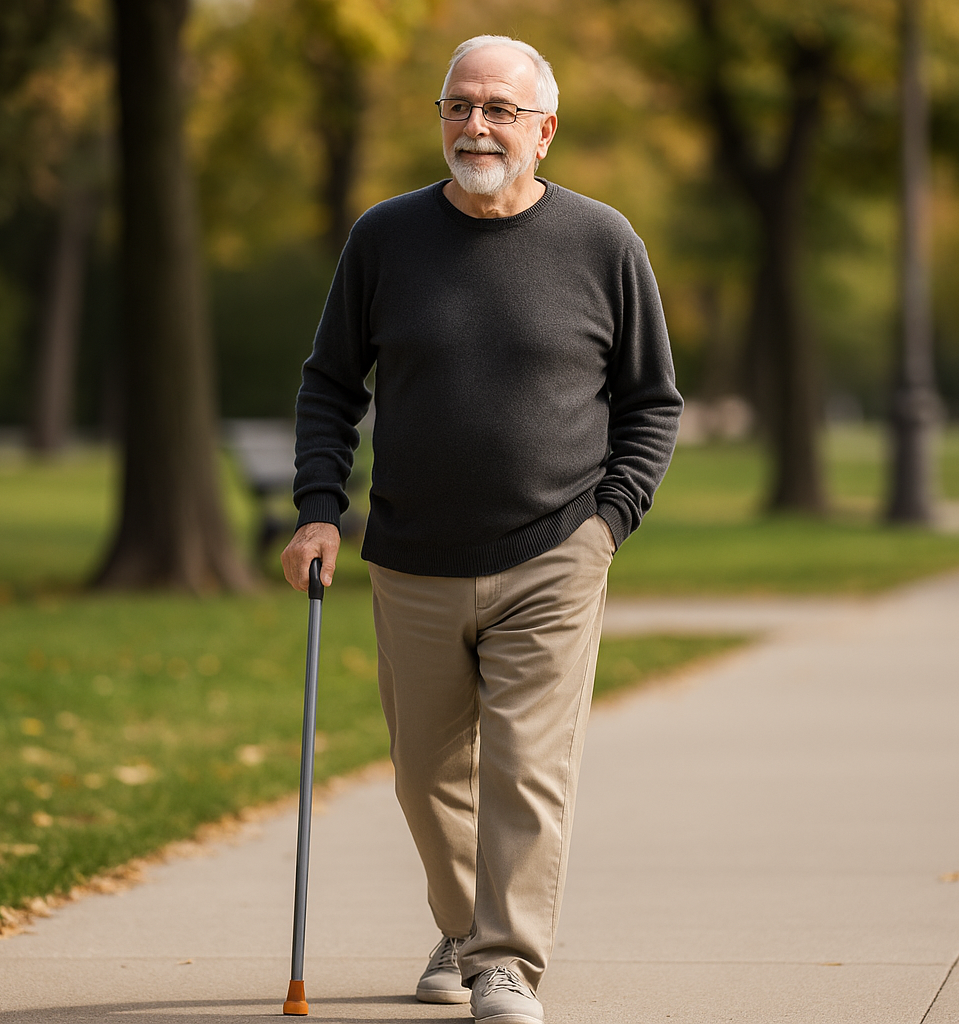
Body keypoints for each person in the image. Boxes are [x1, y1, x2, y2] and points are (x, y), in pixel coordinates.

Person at [281, 34, 682, 1024]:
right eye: (459, 105)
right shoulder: (386, 237)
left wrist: (607, 521)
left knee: (526, 767)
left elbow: (652, 401)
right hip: (410, 553)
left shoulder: (603, 243)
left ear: (544, 129)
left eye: (500, 109)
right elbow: (330, 384)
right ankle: (461, 922)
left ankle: (504, 962)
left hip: (555, 547)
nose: (476, 125)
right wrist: (319, 511)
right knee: (424, 773)